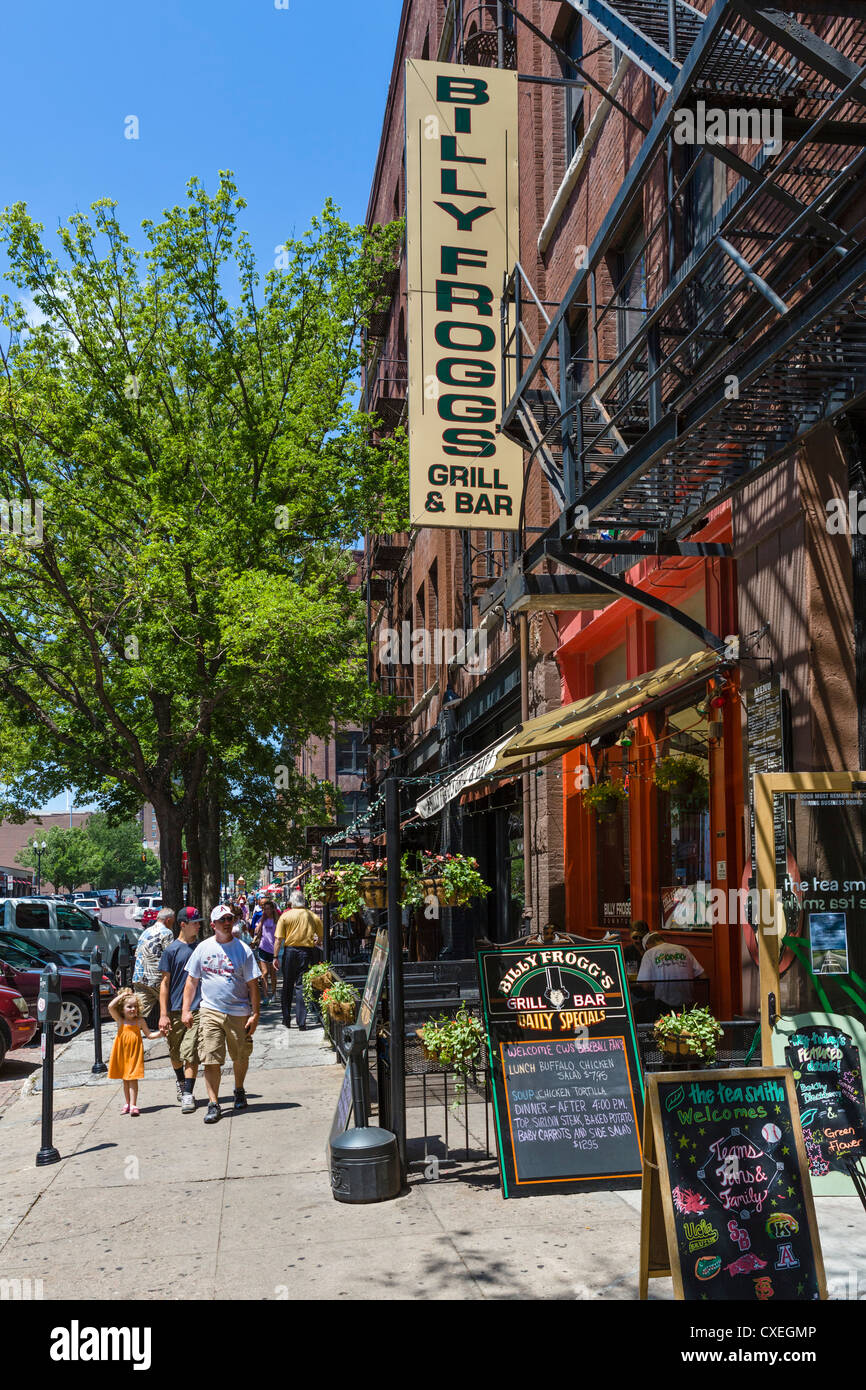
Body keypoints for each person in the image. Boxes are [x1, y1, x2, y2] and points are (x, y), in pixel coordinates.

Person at [181, 903, 260, 1125]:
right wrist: (186, 1010)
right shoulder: (203, 948)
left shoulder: (243, 949)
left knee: (240, 1056)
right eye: (222, 920)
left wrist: (255, 1014)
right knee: (210, 1058)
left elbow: (253, 985)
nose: (227, 923)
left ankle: (239, 1089)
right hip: (210, 1011)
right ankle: (213, 1103)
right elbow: (191, 981)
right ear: (213, 924)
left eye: (230, 919)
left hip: (238, 1012)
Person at [158, 906, 203, 1113]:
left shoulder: (201, 948)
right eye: (195, 922)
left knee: (190, 1051)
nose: (198, 926)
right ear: (183, 925)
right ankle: (180, 1081)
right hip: (175, 1009)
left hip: (196, 1008)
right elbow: (165, 983)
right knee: (175, 1053)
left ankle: (188, 1093)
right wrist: (163, 1014)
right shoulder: (171, 950)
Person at [274, 889, 323, 1031]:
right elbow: (320, 937)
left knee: (287, 986)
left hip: (290, 952)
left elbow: (278, 939)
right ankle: (302, 1021)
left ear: (292, 902)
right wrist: (315, 942)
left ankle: (286, 1019)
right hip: (306, 952)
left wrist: (275, 956)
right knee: (301, 987)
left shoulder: (285, 916)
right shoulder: (312, 916)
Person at [107, 988, 160, 1115]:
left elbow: (149, 1035)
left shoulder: (140, 1021)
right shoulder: (120, 1020)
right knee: (125, 1079)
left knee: (133, 1078)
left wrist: (161, 1034)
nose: (133, 1009)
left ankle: (133, 1105)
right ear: (122, 1008)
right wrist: (123, 996)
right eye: (129, 1006)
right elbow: (110, 1006)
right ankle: (127, 1103)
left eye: (135, 1006)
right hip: (122, 1053)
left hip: (134, 1054)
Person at [636, 932, 707, 1014]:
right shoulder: (683, 949)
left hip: (663, 1007)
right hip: (688, 1006)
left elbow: (645, 986)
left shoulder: (649, 953)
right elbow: (703, 976)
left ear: (647, 945)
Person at [132, 908, 176, 1023]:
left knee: (137, 1013)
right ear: (168, 920)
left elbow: (137, 954)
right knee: (171, 1011)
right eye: (173, 921)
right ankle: (173, 1036)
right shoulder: (167, 933)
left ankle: (130, 1037)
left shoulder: (145, 932)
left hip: (139, 976)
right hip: (156, 978)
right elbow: (170, 955)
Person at [254, 898, 279, 1002]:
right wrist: (260, 923)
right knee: (264, 973)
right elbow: (256, 931)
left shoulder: (277, 920)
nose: (267, 911)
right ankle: (265, 996)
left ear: (273, 909)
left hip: (273, 950)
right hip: (263, 948)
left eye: (269, 909)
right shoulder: (262, 919)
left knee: (273, 974)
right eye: (265, 909)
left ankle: (273, 993)